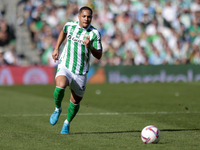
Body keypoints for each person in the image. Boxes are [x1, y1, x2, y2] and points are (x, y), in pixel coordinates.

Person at [50, 6, 103, 134]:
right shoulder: (70, 26)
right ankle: (57, 108)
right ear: (79, 16)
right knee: (60, 86)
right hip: (65, 65)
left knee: (75, 101)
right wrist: (57, 47)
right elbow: (63, 31)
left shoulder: (94, 33)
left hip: (80, 72)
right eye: (84, 16)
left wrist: (90, 46)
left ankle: (67, 123)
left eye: (89, 17)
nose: (86, 19)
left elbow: (99, 55)